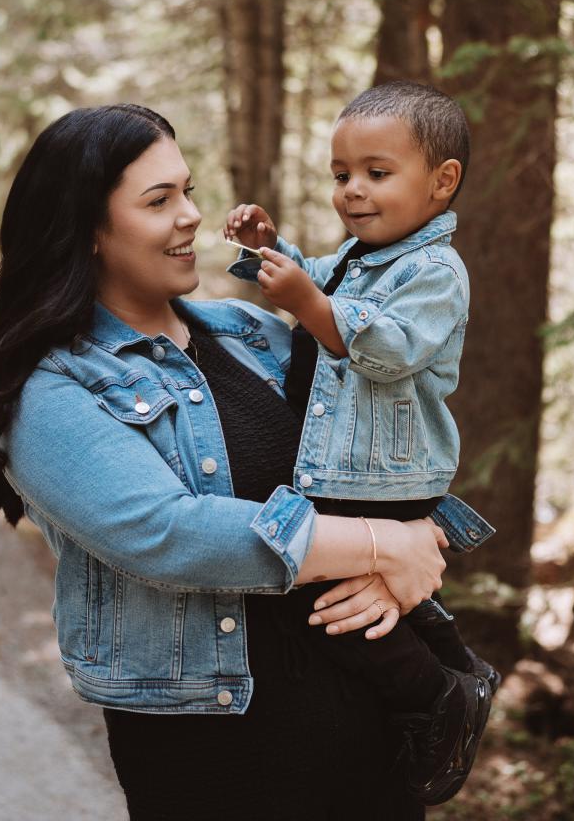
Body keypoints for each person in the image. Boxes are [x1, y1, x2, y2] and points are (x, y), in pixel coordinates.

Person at [0, 103, 486, 820]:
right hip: (221, 768)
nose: (191, 216)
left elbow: (379, 448)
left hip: (375, 755)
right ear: (86, 228)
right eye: (159, 201)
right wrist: (381, 545)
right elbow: (167, 533)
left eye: (187, 190)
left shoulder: (253, 334)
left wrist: (410, 553)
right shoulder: (53, 389)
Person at [223, 80, 499, 804]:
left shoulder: (435, 271)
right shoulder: (359, 256)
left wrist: (311, 305)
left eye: (377, 173)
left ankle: (439, 697)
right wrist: (267, 252)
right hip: (348, 468)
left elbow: (390, 350)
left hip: (386, 474)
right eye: (341, 175)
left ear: (442, 183)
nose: (353, 190)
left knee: (330, 608)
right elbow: (315, 283)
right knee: (346, 599)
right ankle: (446, 658)